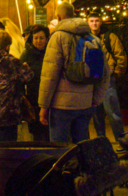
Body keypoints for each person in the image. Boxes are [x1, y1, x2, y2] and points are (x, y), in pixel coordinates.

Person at [38, 12, 110, 144]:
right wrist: (95, 100)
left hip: (61, 106)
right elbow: (105, 73)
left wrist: (44, 106)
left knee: (59, 147)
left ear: (59, 17)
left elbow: (50, 76)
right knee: (82, 146)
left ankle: (62, 165)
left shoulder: (57, 37)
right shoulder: (94, 39)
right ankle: (81, 165)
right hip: (85, 104)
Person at [88, 11, 128, 145]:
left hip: (107, 79)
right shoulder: (85, 38)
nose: (94, 24)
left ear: (101, 22)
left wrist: (117, 73)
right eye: (92, 21)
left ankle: (121, 140)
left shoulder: (110, 37)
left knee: (113, 111)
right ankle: (102, 142)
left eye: (96, 20)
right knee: (96, 114)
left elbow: (120, 55)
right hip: (92, 79)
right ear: (88, 22)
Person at [20, 25, 50, 141]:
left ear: (47, 39)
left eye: (41, 38)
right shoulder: (26, 55)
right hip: (33, 100)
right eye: (36, 38)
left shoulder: (51, 53)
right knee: (36, 134)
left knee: (49, 132)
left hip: (49, 100)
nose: (38, 41)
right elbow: (20, 79)